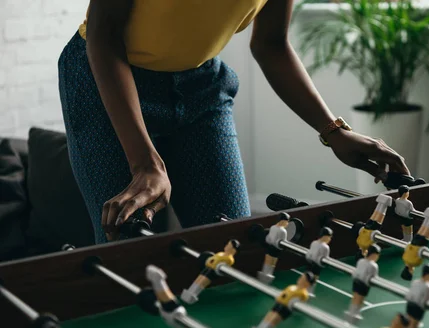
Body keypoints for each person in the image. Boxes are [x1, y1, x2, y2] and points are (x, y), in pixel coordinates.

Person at [59, 1, 410, 244]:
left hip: (202, 86)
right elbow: (105, 36)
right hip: (103, 82)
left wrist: (334, 131)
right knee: (125, 253)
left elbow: (272, 44)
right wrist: (145, 163)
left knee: (232, 247)